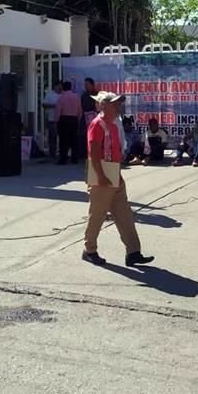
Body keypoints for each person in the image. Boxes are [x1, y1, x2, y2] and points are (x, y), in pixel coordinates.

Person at [82, 90, 154, 267]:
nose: (118, 106)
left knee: (124, 214)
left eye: (118, 104)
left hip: (113, 172)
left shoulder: (113, 125)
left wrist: (117, 174)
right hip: (101, 173)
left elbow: (113, 152)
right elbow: (94, 152)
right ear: (104, 106)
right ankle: (89, 250)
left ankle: (133, 252)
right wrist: (101, 175)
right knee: (97, 215)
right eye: (115, 104)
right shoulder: (97, 124)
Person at [54, 81, 82, 165]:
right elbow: (80, 111)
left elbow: (58, 111)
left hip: (64, 119)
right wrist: (78, 119)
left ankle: (63, 159)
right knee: (74, 140)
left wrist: (56, 121)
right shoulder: (77, 97)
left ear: (63, 87)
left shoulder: (61, 98)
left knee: (63, 140)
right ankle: (74, 159)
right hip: (74, 119)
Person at [79, 77, 98, 160]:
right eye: (85, 85)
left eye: (87, 85)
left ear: (92, 85)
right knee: (84, 136)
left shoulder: (97, 95)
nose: (86, 86)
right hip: (85, 119)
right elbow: (82, 107)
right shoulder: (84, 95)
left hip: (95, 119)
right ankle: (84, 155)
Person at [42, 80, 62, 159]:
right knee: (52, 137)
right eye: (59, 86)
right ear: (55, 86)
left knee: (62, 137)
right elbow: (44, 104)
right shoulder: (50, 94)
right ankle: (52, 154)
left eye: (61, 86)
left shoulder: (63, 94)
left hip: (62, 119)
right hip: (52, 119)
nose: (60, 88)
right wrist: (54, 106)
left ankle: (61, 153)